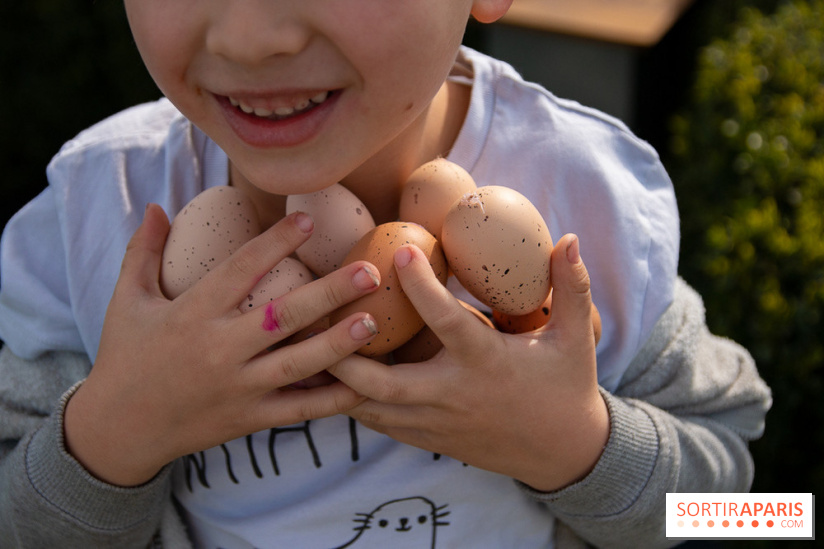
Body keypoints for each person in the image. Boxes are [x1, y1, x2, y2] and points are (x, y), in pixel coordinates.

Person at [0, 1, 771, 548]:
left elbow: (748, 509)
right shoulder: (97, 218)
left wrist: (578, 448)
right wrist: (112, 434)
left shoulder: (591, 206)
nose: (249, 35)